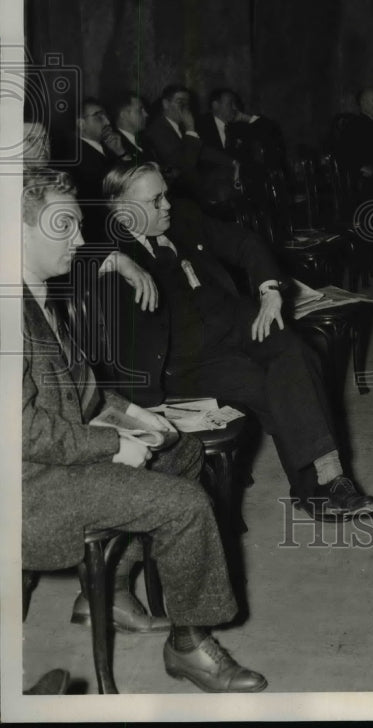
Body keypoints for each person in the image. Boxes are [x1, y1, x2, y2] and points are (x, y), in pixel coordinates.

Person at [21, 165, 268, 693]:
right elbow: (19, 432)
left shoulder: (38, 293)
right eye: (64, 227)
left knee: (181, 454)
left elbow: (78, 389)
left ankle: (106, 593)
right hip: (28, 489)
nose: (82, 240)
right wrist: (112, 443)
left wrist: (134, 417)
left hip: (56, 456)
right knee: (185, 506)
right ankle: (189, 646)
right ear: (15, 231)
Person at [100, 161, 373, 521]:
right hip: (183, 361)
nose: (167, 205)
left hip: (235, 324)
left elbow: (244, 241)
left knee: (294, 351)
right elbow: (57, 255)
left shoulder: (182, 215)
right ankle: (319, 491)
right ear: (124, 215)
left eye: (165, 195)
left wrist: (269, 291)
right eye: (155, 201)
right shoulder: (106, 240)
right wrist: (116, 259)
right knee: (267, 384)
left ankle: (332, 476)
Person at [144, 84, 237, 202]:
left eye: (187, 103)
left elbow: (203, 150)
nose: (185, 107)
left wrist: (233, 162)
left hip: (191, 184)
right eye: (180, 102)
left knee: (231, 175)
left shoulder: (179, 126)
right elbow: (185, 164)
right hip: (176, 192)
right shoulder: (158, 130)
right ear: (166, 104)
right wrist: (190, 129)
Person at [198, 87, 286, 169]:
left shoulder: (239, 127)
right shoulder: (201, 125)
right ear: (215, 105)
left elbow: (271, 130)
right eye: (230, 104)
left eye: (235, 104)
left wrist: (246, 117)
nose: (235, 108)